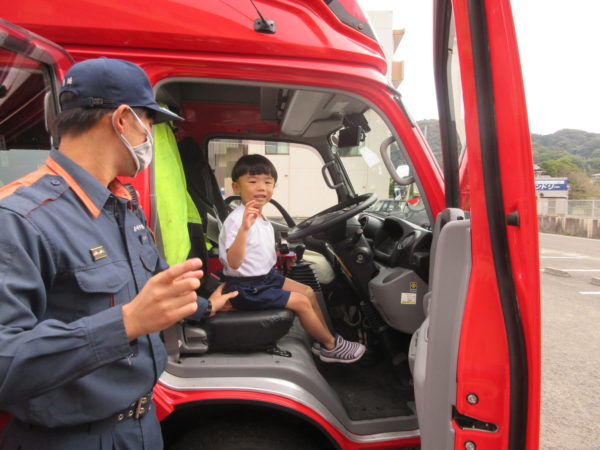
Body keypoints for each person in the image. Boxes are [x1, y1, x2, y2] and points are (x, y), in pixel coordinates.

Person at [0, 57, 237, 450]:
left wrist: (204, 307)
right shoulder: (19, 218)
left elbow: (152, 290)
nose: (151, 138)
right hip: (68, 439)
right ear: (123, 119)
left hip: (141, 426)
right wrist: (124, 324)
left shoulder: (123, 204)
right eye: (150, 123)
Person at [219, 154, 366, 363]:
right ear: (236, 187)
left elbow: (258, 251)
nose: (261, 187)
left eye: (268, 182)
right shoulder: (237, 220)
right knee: (301, 302)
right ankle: (331, 346)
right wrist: (243, 229)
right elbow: (234, 262)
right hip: (246, 288)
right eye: (252, 182)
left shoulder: (260, 217)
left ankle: (323, 339)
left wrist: (280, 257)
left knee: (308, 292)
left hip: (264, 279)